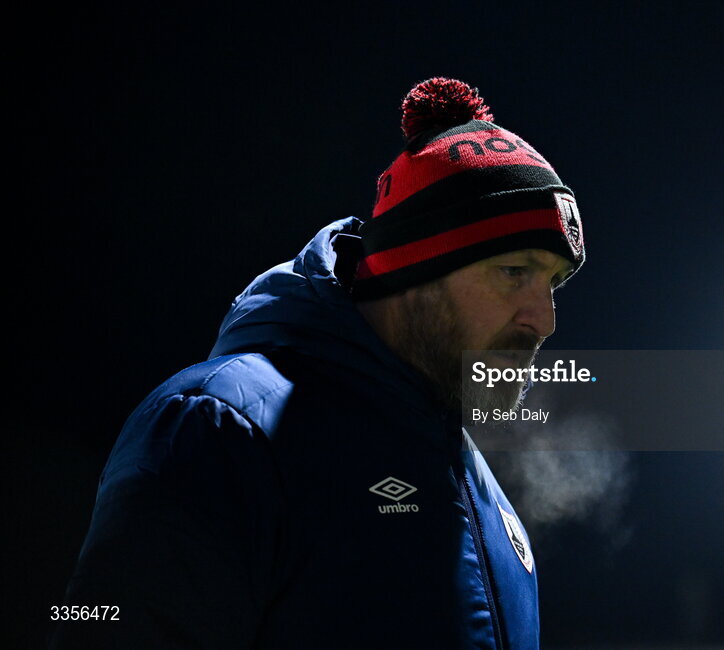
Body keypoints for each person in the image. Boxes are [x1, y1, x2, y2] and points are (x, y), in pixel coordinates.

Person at [50, 77, 585, 649]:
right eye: (514, 272)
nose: (544, 320)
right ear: (415, 268)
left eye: (553, 282)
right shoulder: (215, 427)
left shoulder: (480, 492)